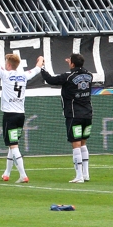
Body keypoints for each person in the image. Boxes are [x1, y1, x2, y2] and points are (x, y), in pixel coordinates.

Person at [0, 37, 43, 184]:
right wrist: (40, 59)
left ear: (8, 65)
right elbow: (38, 68)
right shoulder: (24, 75)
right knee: (12, 144)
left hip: (10, 115)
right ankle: (7, 173)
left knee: (13, 145)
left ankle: (23, 174)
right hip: (21, 114)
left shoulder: (6, 75)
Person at [40, 53, 93, 183]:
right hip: (88, 114)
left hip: (74, 114)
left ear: (72, 64)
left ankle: (79, 176)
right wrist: (73, 63)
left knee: (76, 144)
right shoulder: (89, 75)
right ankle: (86, 174)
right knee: (83, 143)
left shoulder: (68, 77)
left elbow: (50, 80)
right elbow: (78, 73)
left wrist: (42, 68)